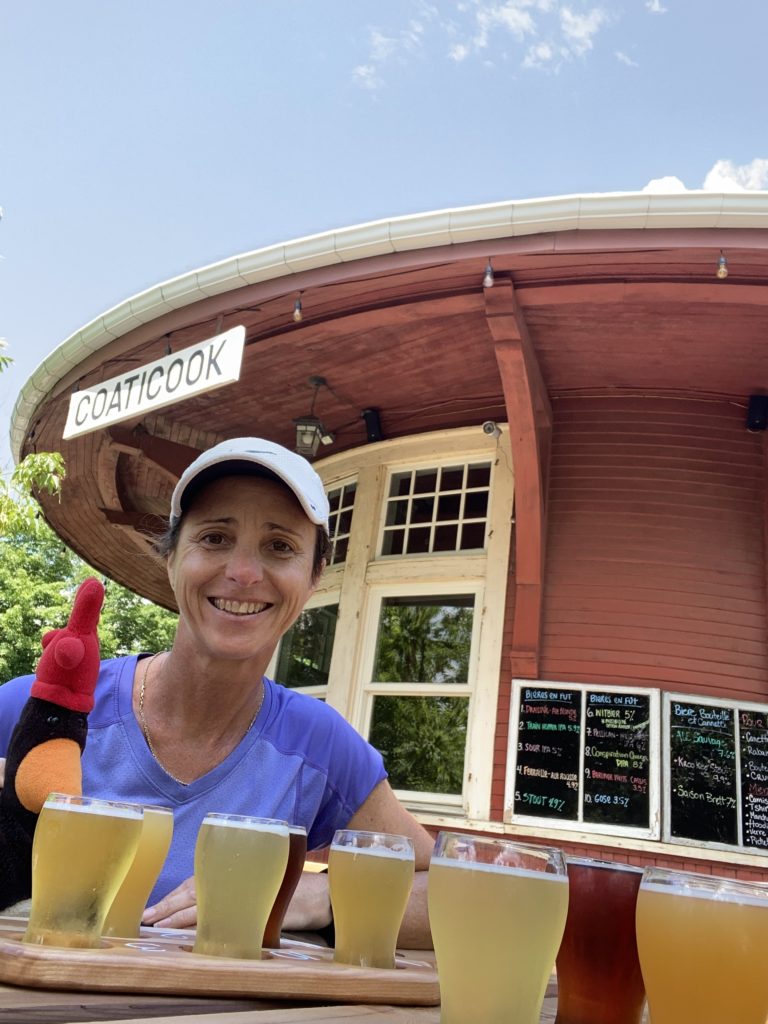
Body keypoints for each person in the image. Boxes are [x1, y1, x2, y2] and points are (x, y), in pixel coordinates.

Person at [0, 437, 434, 946]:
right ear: (170, 559)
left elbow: (441, 885)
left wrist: (322, 897)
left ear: (314, 577)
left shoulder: (320, 746)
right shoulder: (39, 708)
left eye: (280, 546)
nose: (243, 572)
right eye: (213, 538)